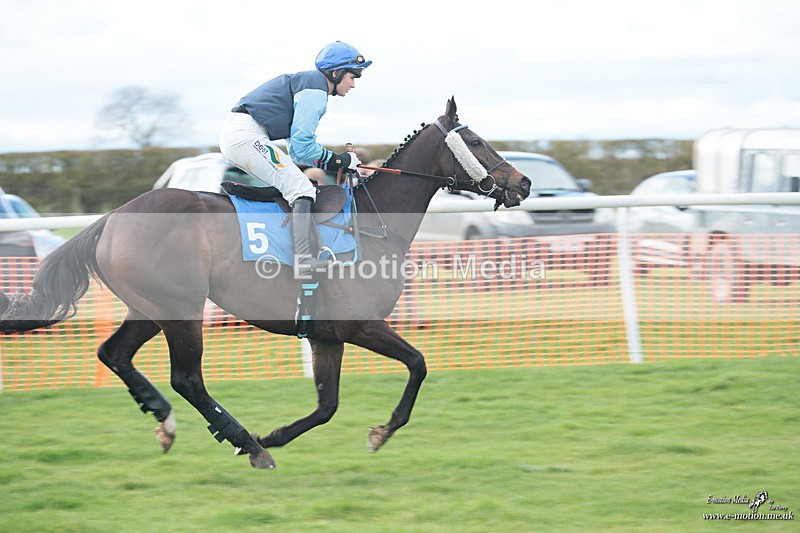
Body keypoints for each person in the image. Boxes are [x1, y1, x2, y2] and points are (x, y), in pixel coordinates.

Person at [219, 41, 371, 274]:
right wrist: (342, 161)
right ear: (335, 72)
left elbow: (299, 152)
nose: (353, 84)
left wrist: (336, 161)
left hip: (243, 135)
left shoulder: (309, 85)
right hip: (246, 136)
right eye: (353, 76)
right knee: (301, 189)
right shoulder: (315, 88)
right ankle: (303, 259)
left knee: (294, 183)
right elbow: (303, 145)